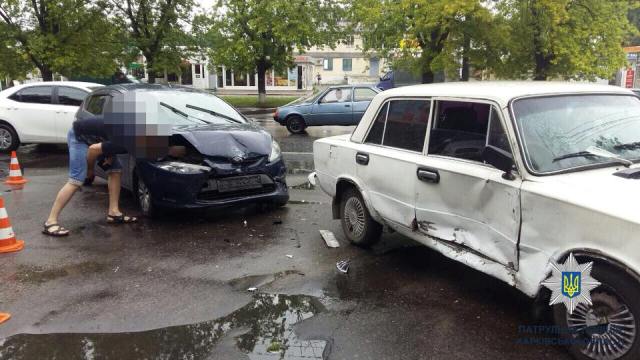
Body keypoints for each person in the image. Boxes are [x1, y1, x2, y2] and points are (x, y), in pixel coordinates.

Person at [43, 118, 137, 237]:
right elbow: (93, 149)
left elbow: (107, 143)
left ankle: (114, 213)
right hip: (79, 137)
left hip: (99, 139)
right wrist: (90, 170)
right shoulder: (127, 140)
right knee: (76, 180)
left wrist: (108, 154)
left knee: (115, 171)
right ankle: (50, 222)